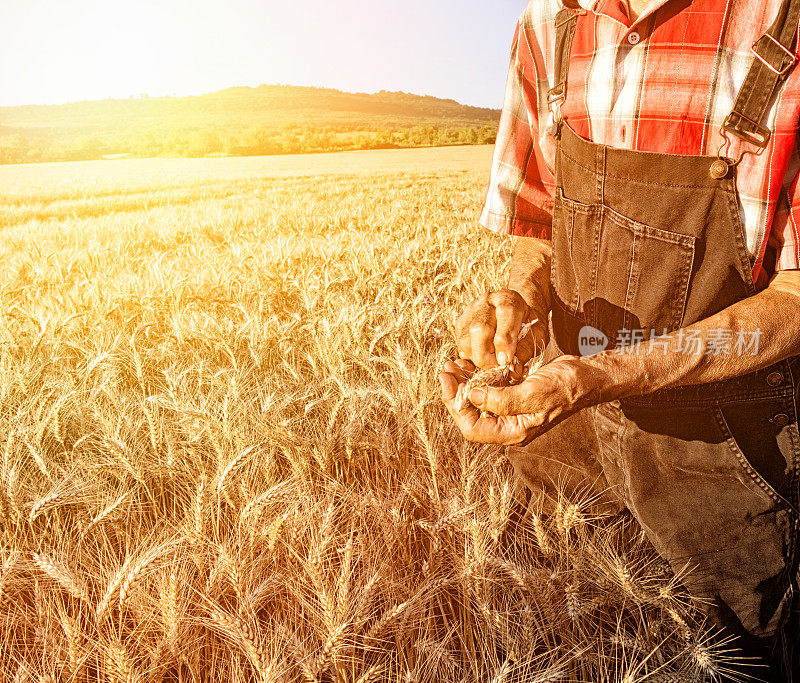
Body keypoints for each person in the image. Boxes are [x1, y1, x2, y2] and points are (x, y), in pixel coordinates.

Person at [439, 0, 800, 678]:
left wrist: (600, 374)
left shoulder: (785, 26)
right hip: (568, 442)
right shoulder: (548, 25)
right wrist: (523, 298)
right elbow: (540, 223)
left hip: (724, 463)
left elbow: (796, 297)